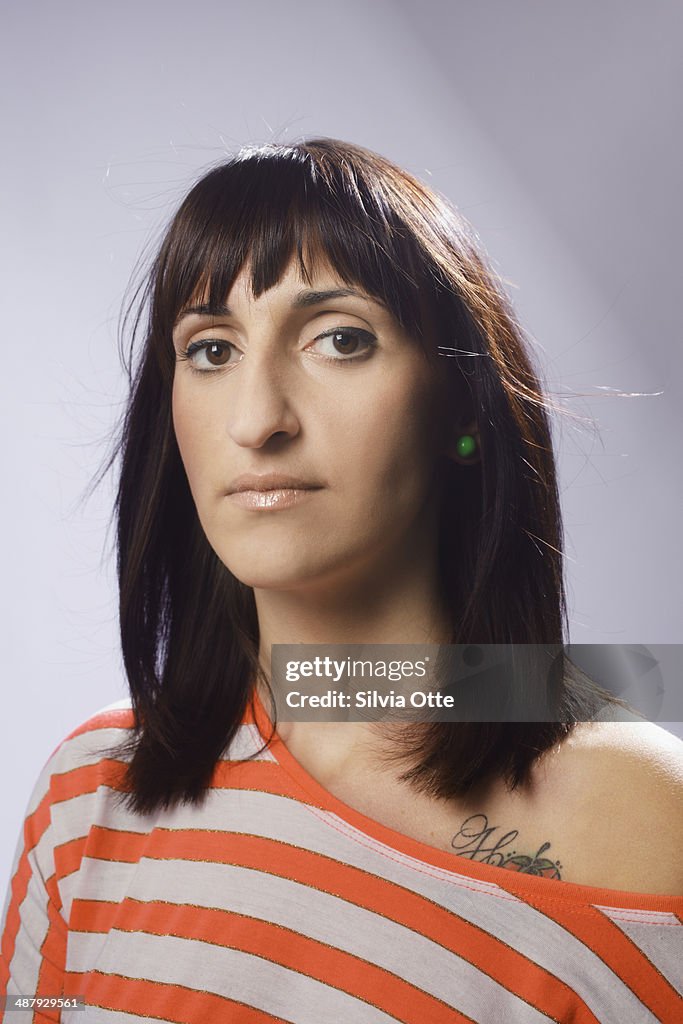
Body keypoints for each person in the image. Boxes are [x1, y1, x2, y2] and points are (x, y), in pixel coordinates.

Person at [1, 137, 681, 1023]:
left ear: (460, 412)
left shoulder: (644, 823)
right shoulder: (91, 791)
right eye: (210, 351)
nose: (257, 420)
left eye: (340, 339)